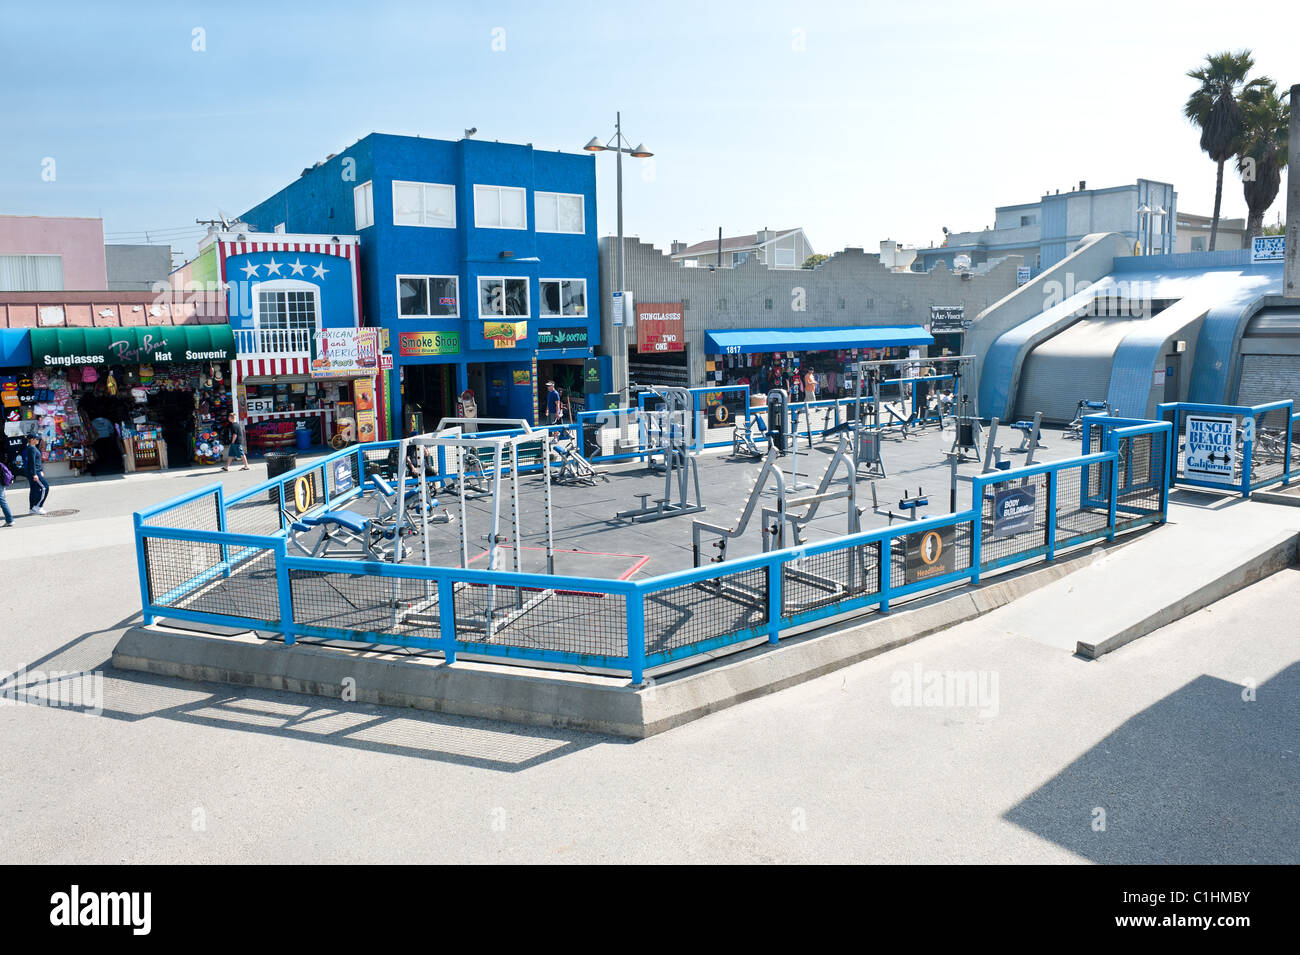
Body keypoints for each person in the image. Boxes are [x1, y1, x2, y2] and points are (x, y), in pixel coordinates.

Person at [21, 433, 49, 515]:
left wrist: (40, 470)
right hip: (34, 472)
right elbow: (32, 462)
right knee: (45, 487)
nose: (38, 440)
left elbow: (35, 461)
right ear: (32, 440)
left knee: (34, 489)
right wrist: (34, 474)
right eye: (36, 439)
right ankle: (38, 507)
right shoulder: (32, 448)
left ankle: (32, 508)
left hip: (35, 471)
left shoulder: (31, 448)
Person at [0, 446, 14, 526]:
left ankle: (10, 520)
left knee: (2, 502)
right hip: (2, 483)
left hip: (1, 484)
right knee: (2, 501)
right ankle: (9, 520)